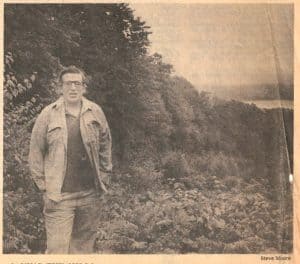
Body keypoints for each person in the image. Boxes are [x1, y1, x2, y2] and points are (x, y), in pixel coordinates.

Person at [29, 65, 112, 254]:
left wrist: (105, 176)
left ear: (84, 87)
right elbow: (35, 152)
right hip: (59, 197)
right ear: (60, 87)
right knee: (57, 251)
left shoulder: (95, 112)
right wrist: (44, 187)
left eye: (77, 83)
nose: (73, 88)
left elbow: (106, 144)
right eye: (68, 84)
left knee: (82, 251)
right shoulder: (48, 114)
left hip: (90, 196)